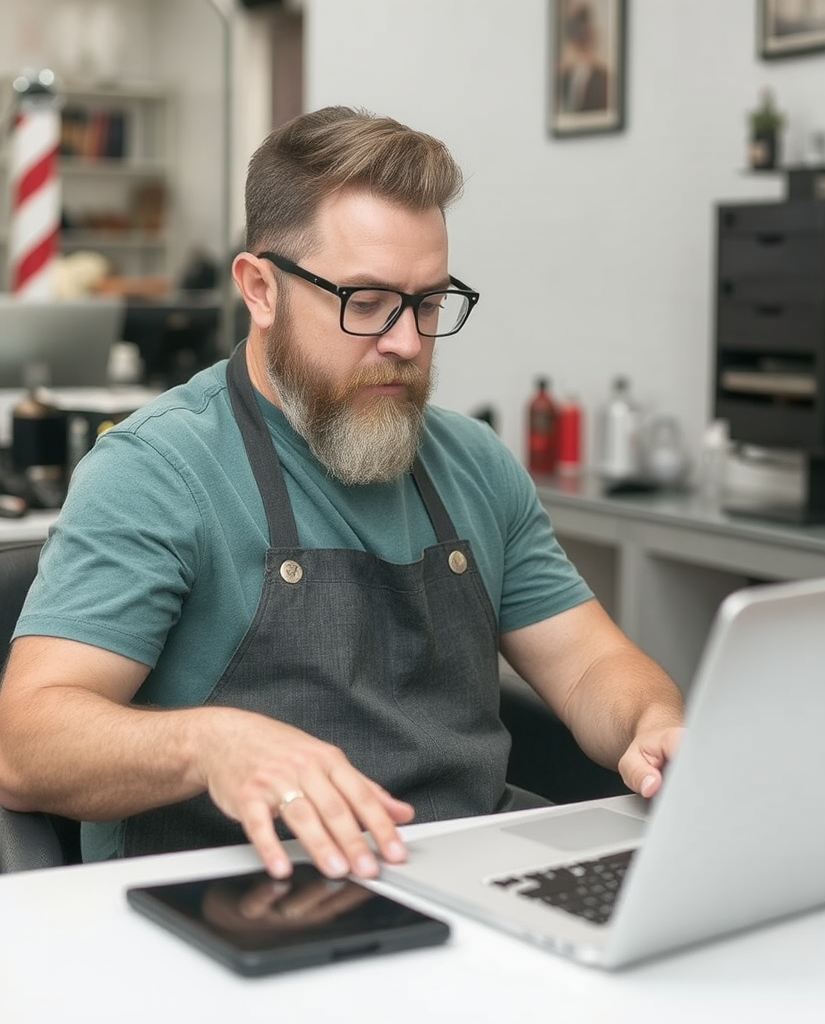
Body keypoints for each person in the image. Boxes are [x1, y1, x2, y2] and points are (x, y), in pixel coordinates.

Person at [0, 106, 682, 883]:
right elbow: (25, 746)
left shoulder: (475, 464)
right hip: (244, 896)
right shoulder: (157, 471)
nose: (406, 342)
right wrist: (210, 743)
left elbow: (592, 666)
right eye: (366, 302)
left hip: (470, 870)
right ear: (260, 289)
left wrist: (654, 720)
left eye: (428, 303)